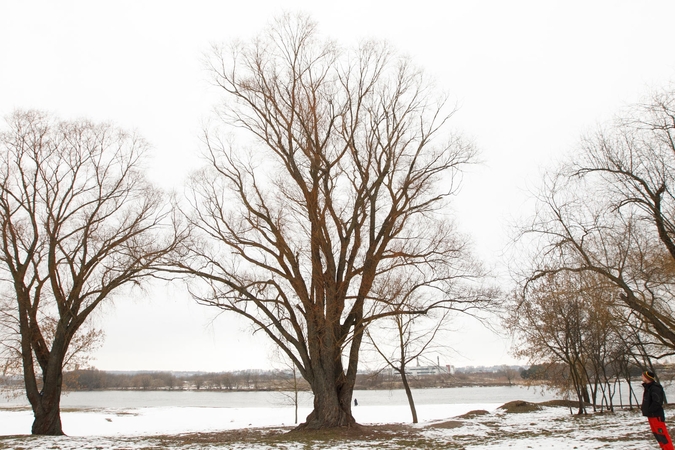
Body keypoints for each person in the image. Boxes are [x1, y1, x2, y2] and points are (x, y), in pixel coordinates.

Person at [642, 370, 674, 450]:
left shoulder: (655, 388)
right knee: (658, 435)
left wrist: (650, 410)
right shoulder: (648, 387)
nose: (641, 377)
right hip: (651, 416)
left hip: (656, 416)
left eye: (642, 376)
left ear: (647, 377)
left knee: (662, 435)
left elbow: (657, 401)